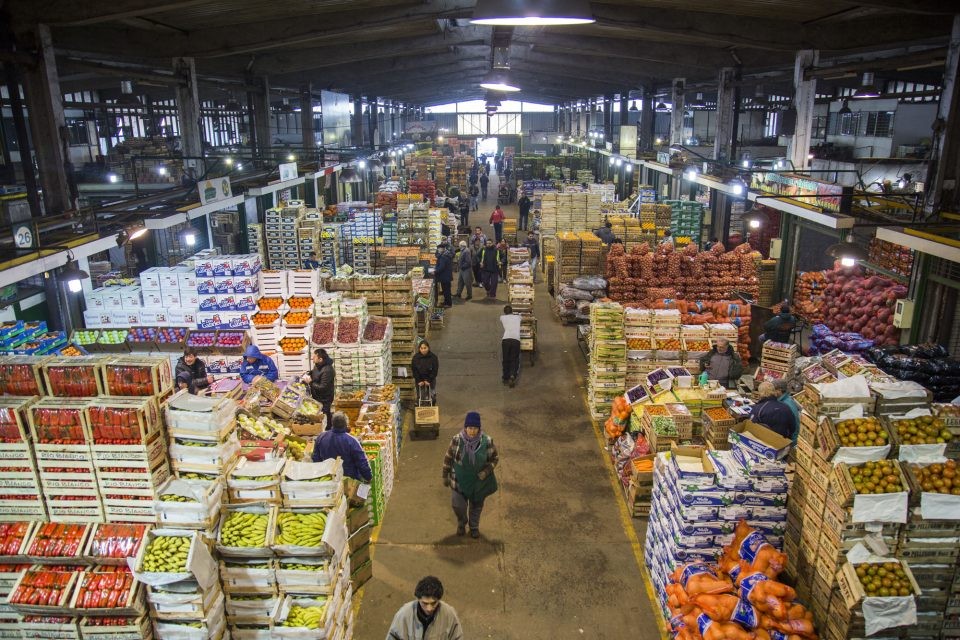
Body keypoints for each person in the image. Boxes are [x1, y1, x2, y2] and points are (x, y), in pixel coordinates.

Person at [442, 411, 499, 538]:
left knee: (476, 506)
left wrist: (486, 472)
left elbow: (495, 458)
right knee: (458, 505)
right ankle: (462, 522)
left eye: (475, 428)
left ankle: (474, 527)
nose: (472, 431)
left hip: (478, 482)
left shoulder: (487, 441)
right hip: (458, 481)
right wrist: (445, 475)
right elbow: (448, 458)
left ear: (479, 428)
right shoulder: (457, 440)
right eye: (470, 428)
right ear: (465, 428)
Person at [386, 576, 463, 640]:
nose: (429, 608)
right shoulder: (404, 615)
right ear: (418, 599)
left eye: (433, 603)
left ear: (439, 599)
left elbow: (457, 637)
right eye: (425, 603)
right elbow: (393, 637)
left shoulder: (449, 614)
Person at [311, 412, 372, 482]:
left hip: (328, 478)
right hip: (349, 479)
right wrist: (368, 477)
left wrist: (320, 475)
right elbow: (362, 462)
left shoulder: (321, 437)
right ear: (346, 424)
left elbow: (316, 458)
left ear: (332, 423)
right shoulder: (352, 441)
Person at [302, 348, 335, 430]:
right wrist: (309, 373)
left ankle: (328, 430)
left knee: (325, 414)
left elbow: (323, 387)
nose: (312, 358)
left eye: (314, 356)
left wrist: (310, 383)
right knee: (322, 414)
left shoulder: (327, 370)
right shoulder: (318, 365)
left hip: (325, 398)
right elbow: (315, 372)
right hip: (317, 396)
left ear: (320, 359)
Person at [500, 305, 521, 386]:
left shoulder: (502, 317)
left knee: (506, 358)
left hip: (506, 340)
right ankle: (512, 375)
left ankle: (505, 376)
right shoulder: (518, 317)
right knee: (514, 359)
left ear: (505, 312)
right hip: (516, 340)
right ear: (512, 311)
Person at [433, 241, 454, 308]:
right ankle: (446, 302)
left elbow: (441, 267)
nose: (438, 250)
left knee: (446, 291)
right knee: (446, 290)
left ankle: (448, 304)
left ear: (442, 249)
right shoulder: (447, 254)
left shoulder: (444, 257)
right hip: (447, 276)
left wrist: (435, 271)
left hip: (445, 276)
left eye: (438, 249)